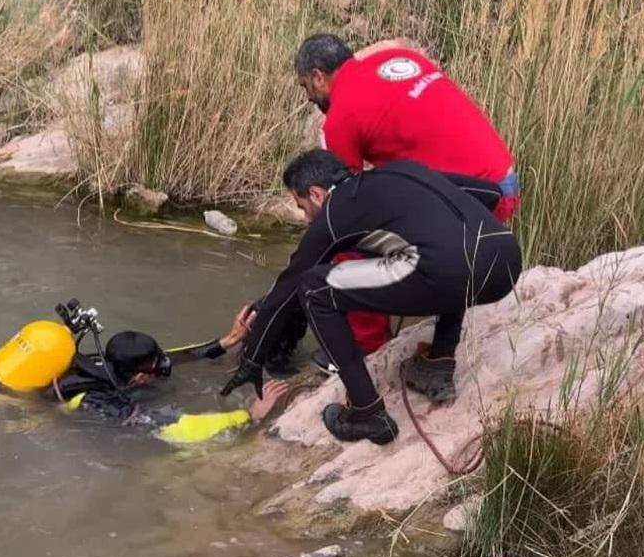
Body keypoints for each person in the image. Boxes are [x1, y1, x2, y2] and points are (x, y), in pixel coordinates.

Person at [220, 150, 521, 445]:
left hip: (449, 270)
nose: (305, 219)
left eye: (301, 207)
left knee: (314, 288)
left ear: (316, 194)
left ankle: (367, 413)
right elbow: (489, 192)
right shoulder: (402, 170)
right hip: (506, 261)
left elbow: (289, 286)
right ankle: (437, 365)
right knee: (451, 257)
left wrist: (252, 360)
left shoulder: (335, 212)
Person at [293, 33, 519, 361]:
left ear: (318, 76)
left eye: (306, 87)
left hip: (473, 194)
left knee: (352, 241)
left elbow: (342, 212)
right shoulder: (397, 59)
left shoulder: (341, 117)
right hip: (501, 178)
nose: (309, 98)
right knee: (446, 237)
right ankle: (441, 352)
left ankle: (368, 346)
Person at [0, 302, 289, 445]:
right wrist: (248, 416)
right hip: (6, 416)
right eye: (153, 370)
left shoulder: (100, 360)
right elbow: (171, 426)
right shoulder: (100, 399)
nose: (161, 369)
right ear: (137, 377)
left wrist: (227, 341)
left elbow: (172, 359)